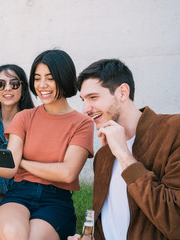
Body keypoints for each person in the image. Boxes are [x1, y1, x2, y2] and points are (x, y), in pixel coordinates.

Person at [0, 49, 94, 240]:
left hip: (56, 200)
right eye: (37, 78)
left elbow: (67, 173)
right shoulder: (24, 117)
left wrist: (22, 163)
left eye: (49, 78)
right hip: (19, 194)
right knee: (12, 234)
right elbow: (10, 168)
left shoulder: (82, 123)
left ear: (64, 77)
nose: (42, 85)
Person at [68, 59, 180, 239]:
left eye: (93, 97)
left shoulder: (173, 131)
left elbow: (175, 222)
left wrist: (124, 154)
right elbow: (108, 218)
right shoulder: (104, 154)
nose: (85, 109)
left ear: (122, 92)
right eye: (83, 100)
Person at [0, 64, 35, 224]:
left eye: (14, 83)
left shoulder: (33, 121)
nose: (7, 88)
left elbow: (22, 173)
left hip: (22, 191)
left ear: (23, 88)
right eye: (0, 84)